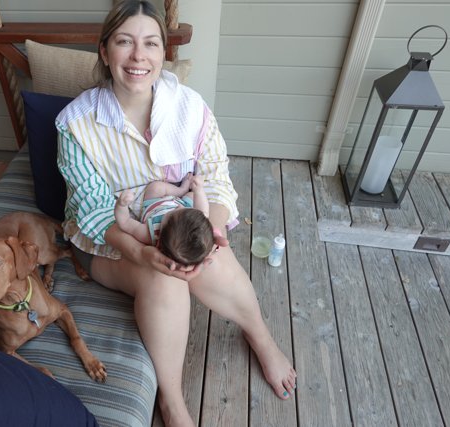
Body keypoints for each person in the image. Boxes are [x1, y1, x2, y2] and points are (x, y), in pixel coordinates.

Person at [56, 1, 297, 425]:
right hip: (110, 243)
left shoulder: (190, 107)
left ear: (163, 53)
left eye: (150, 43)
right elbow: (93, 212)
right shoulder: (75, 124)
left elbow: (217, 180)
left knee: (214, 259)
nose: (138, 56)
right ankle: (171, 398)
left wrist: (209, 236)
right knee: (164, 276)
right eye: (124, 42)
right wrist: (141, 252)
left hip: (182, 226)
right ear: (104, 51)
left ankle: (260, 336)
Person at [114, 173, 215, 270]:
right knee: (192, 196)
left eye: (173, 213)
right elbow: (203, 211)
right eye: (181, 209)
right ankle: (181, 191)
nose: (177, 207)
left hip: (155, 204)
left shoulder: (149, 232)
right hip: (185, 206)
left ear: (162, 228)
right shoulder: (193, 218)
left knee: (155, 188)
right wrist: (199, 189)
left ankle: (180, 191)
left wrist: (121, 205)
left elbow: (125, 222)